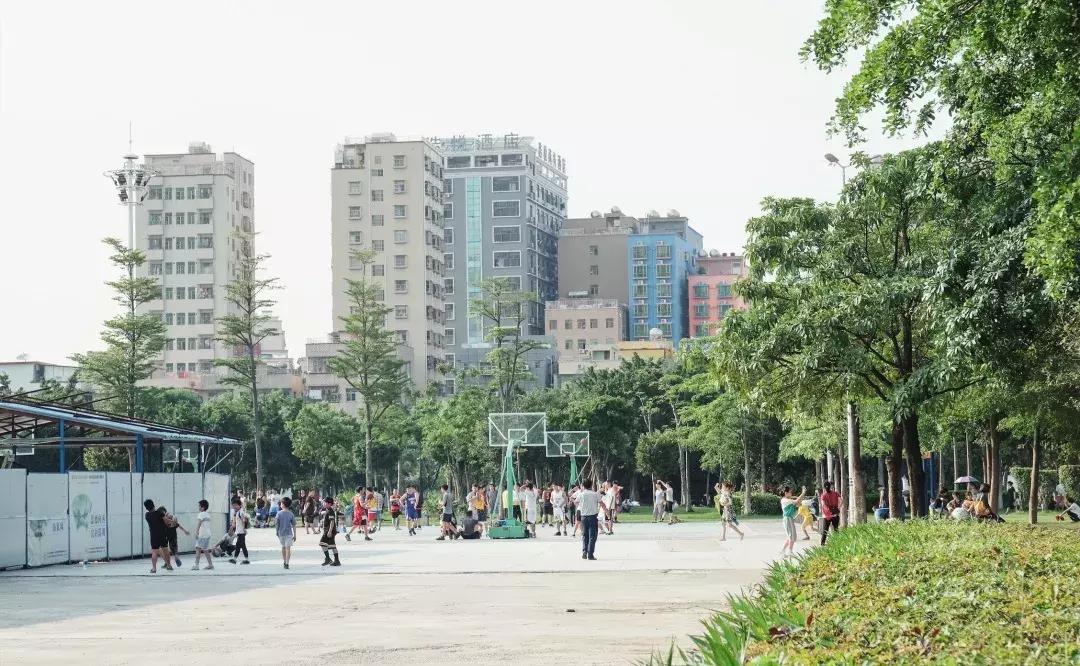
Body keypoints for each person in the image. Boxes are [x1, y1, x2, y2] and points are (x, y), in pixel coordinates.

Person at [574, 479, 601, 560]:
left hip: (583, 517)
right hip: (593, 517)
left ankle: (584, 552)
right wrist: (606, 511)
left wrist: (582, 506)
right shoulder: (595, 494)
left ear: (583, 485)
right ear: (591, 485)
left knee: (585, 535)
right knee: (592, 536)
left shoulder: (581, 494)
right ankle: (590, 554)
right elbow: (601, 503)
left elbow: (575, 502)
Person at [143, 499, 173, 573]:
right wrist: (171, 521)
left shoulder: (147, 515)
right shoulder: (159, 513)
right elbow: (166, 522)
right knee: (165, 550)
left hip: (153, 535)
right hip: (162, 534)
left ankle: (154, 568)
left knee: (154, 552)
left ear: (146, 507)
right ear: (153, 504)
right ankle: (169, 565)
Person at [780, 486, 807, 558]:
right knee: (791, 536)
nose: (791, 493)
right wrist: (803, 493)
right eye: (790, 492)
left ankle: (783, 551)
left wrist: (801, 497)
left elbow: (798, 504)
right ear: (786, 493)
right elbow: (797, 501)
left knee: (791, 536)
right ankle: (790, 551)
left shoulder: (788, 500)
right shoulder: (784, 500)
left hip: (789, 519)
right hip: (787, 519)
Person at [192, 499, 214, 570]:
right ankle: (210, 564)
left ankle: (196, 565)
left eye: (199, 506)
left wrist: (196, 532)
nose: (198, 508)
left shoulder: (201, 514)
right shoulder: (208, 514)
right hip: (208, 534)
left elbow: (199, 523)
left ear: (203, 507)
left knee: (198, 548)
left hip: (202, 534)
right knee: (205, 549)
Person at [319, 497, 341, 566]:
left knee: (322, 543)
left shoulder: (330, 511)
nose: (323, 503)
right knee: (332, 546)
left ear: (329, 504)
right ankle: (336, 560)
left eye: (325, 502)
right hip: (329, 530)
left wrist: (329, 531)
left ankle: (328, 559)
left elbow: (332, 522)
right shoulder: (328, 510)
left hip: (329, 531)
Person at [229, 497, 250, 564]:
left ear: (239, 505)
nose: (234, 506)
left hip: (241, 532)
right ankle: (246, 559)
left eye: (236, 505)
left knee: (238, 545)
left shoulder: (241, 512)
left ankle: (235, 559)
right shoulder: (238, 512)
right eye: (233, 505)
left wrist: (244, 529)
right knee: (243, 546)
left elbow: (244, 520)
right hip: (239, 532)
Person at [277, 497, 296, 569]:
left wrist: (277, 532)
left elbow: (277, 524)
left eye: (281, 503)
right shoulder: (291, 514)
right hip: (289, 534)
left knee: (284, 547)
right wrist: (295, 535)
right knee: (288, 548)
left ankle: (285, 561)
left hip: (281, 534)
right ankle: (287, 563)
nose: (280, 504)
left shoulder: (278, 514)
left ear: (284, 504)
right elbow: (294, 525)